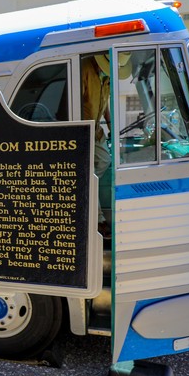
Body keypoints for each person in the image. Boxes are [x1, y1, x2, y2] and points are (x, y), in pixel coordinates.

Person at [81, 54, 112, 240]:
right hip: (84, 129)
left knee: (102, 163)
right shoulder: (85, 69)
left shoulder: (106, 77)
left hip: (96, 129)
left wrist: (110, 124)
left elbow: (105, 103)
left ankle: (87, 191)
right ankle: (98, 220)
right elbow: (77, 99)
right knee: (91, 174)